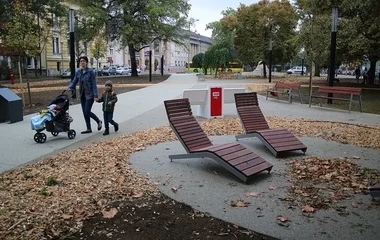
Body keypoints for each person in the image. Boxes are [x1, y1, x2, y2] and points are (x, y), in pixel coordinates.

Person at [67, 56, 102, 134]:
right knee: (84, 112)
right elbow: (75, 81)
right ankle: (88, 128)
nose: (82, 62)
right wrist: (70, 87)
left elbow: (94, 84)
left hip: (90, 94)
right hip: (82, 94)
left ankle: (98, 121)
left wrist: (95, 95)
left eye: (83, 61)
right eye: (81, 61)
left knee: (87, 111)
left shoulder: (91, 72)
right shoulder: (78, 71)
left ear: (86, 62)